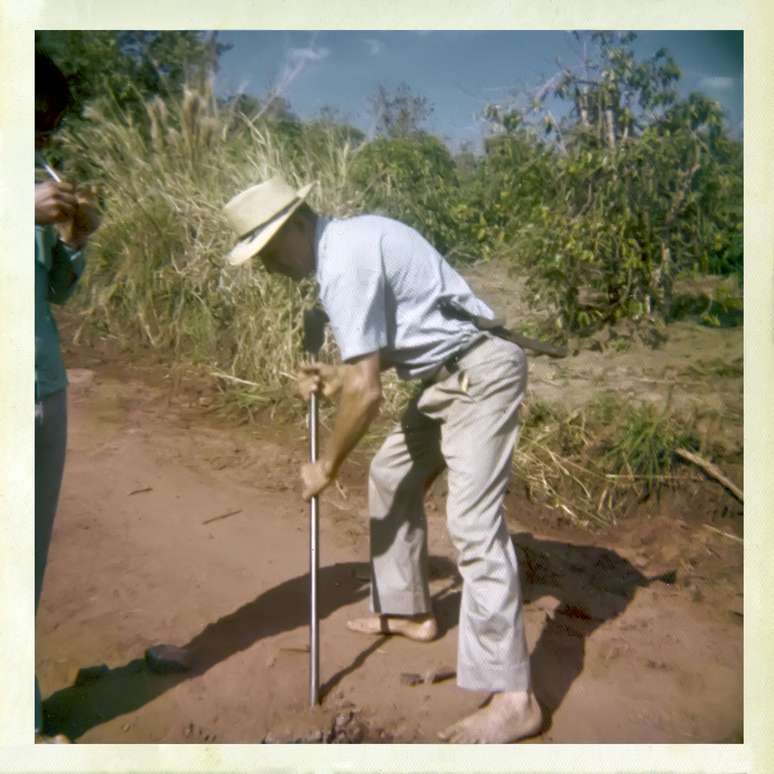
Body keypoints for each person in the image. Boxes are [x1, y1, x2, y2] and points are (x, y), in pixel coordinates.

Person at [222, 175, 543, 743]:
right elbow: (385, 354)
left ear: (297, 224)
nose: (270, 265)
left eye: (270, 250)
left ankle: (514, 697)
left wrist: (328, 467)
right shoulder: (345, 247)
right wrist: (337, 375)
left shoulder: (343, 262)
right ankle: (410, 612)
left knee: (472, 524)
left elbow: (367, 393)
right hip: (446, 378)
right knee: (392, 473)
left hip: (480, 374)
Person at [34, 50, 101, 743]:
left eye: (50, 128)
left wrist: (74, 239)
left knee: (28, 560)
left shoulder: (32, 179)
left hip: (43, 388)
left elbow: (52, 291)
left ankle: (21, 717)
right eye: (35, 121)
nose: (44, 141)